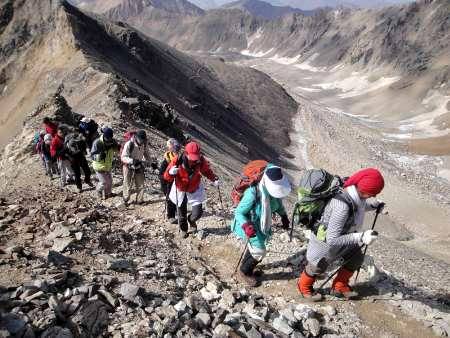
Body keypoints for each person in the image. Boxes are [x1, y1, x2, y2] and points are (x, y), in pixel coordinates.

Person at [297, 168, 385, 301]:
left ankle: (339, 286)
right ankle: (303, 287)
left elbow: (357, 207)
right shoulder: (341, 206)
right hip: (325, 243)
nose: (374, 196)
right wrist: (361, 237)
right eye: (373, 193)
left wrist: (372, 206)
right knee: (317, 266)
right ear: (364, 190)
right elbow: (332, 239)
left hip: (345, 236)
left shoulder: (353, 193)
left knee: (356, 258)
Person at [231, 165, 291, 286]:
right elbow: (239, 212)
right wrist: (246, 225)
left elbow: (278, 205)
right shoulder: (253, 193)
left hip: (261, 225)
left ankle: (247, 266)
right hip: (249, 225)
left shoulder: (272, 192)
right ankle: (244, 272)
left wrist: (284, 216)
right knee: (260, 251)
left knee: (256, 248)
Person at [163, 141, 219, 238]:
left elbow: (206, 171)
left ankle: (192, 220)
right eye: (192, 157)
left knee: (198, 212)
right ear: (186, 153)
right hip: (180, 188)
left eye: (196, 157)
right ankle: (183, 229)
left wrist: (214, 179)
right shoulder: (177, 160)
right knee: (181, 212)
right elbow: (166, 177)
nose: (194, 160)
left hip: (194, 187)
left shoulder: (200, 160)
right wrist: (171, 173)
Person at [121, 129, 154, 204]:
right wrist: (132, 161)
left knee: (140, 184)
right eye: (141, 139)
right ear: (136, 137)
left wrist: (151, 163)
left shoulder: (144, 144)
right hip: (128, 166)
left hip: (138, 165)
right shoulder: (129, 144)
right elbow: (123, 157)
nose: (142, 141)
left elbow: (147, 155)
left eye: (143, 140)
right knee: (127, 183)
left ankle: (139, 200)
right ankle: (126, 199)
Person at [91, 127, 119, 200]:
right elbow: (92, 155)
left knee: (110, 182)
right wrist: (99, 156)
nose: (109, 140)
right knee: (104, 182)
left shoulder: (113, 141)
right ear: (104, 136)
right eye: (108, 138)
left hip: (108, 165)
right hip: (99, 166)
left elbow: (117, 150)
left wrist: (118, 148)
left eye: (110, 138)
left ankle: (108, 194)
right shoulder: (97, 143)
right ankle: (99, 191)